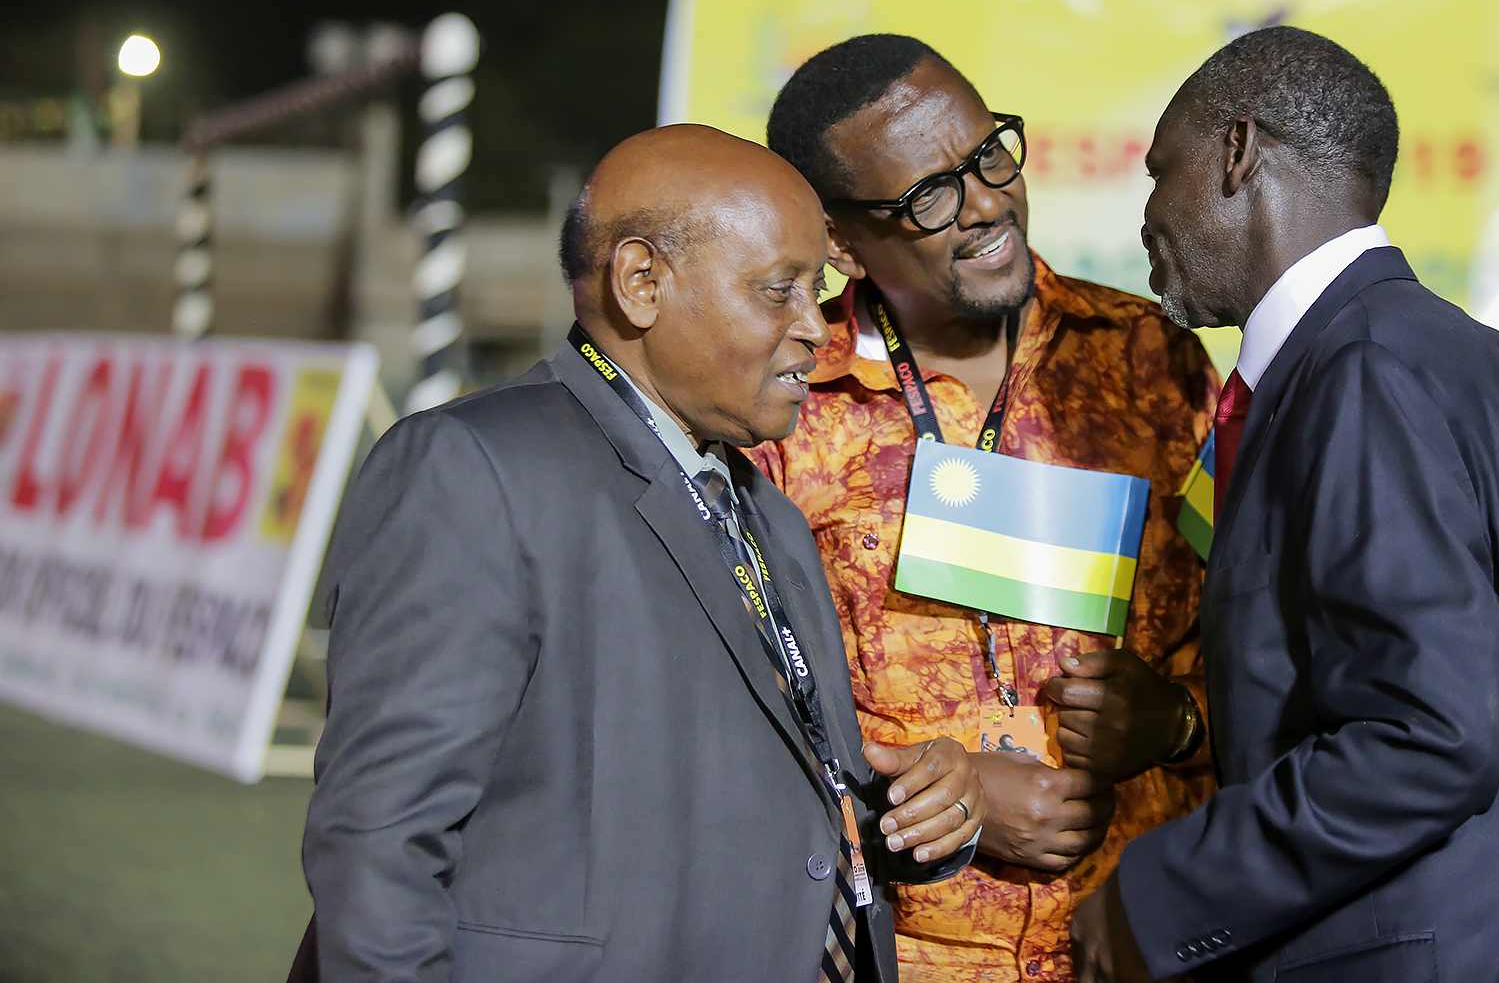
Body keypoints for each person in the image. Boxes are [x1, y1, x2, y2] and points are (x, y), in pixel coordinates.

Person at [299, 124, 985, 983]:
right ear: (641, 281)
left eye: (820, 289)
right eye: (780, 292)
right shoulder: (473, 470)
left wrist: (914, 815)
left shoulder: (765, 509)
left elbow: (763, 794)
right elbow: (379, 846)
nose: (816, 327)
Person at [1071, 27, 1499, 982]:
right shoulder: (1454, 351)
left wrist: (1161, 895)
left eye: (1157, 172)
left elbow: (1438, 733)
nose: (1147, 213)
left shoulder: (1358, 374)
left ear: (1238, 152)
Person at [755, 34, 1220, 983]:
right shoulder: (787, 415)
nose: (986, 204)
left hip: (1143, 942)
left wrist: (1175, 722)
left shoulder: (1151, 363)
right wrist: (939, 795)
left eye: (989, 155)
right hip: (901, 954)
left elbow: (1264, 637)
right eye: (929, 196)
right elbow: (737, 714)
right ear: (841, 243)